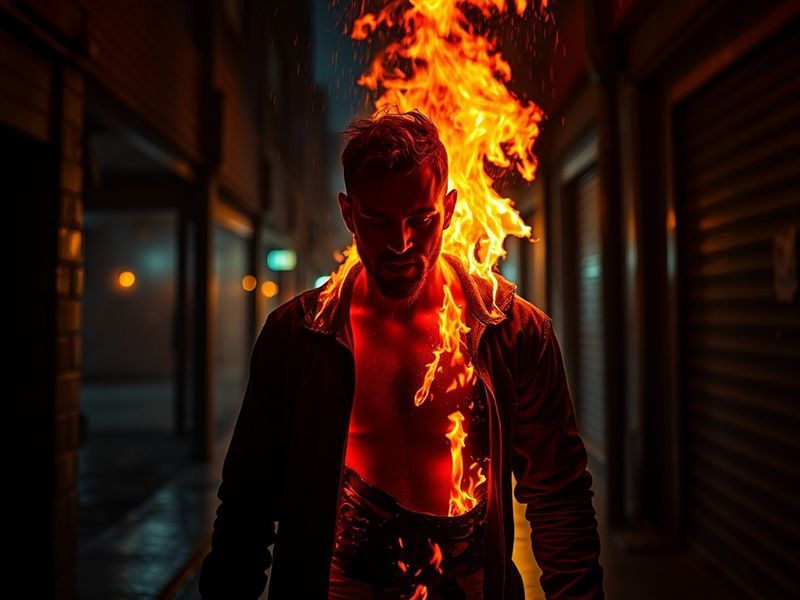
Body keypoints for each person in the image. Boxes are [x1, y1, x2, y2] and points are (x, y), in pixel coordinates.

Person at [198, 110, 604, 599]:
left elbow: (559, 494)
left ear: (450, 210)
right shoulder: (299, 335)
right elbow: (249, 498)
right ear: (348, 213)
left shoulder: (513, 332)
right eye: (377, 220)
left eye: (422, 219)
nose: (401, 242)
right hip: (339, 586)